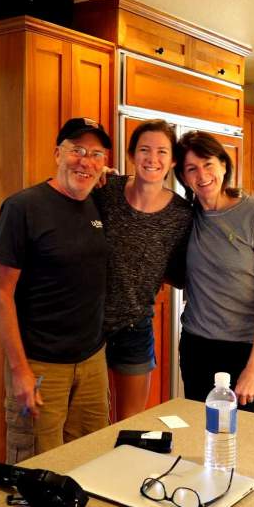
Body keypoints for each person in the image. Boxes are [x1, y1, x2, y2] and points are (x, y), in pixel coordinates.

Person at [0, 117, 113, 463]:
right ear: (58, 153)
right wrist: (20, 371)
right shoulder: (23, 207)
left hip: (92, 361)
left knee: (92, 459)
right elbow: (1, 292)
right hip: (41, 364)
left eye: (96, 154)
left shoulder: (99, 202)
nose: (85, 161)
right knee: (38, 466)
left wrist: (103, 174)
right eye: (77, 151)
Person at [174, 130, 254, 413]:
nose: (202, 175)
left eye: (208, 164)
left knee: (243, 433)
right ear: (183, 177)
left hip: (244, 349)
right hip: (196, 346)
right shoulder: (185, 216)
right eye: (191, 169)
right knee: (199, 428)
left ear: (224, 165)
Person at [93, 119, 193, 420]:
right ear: (131, 155)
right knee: (90, 421)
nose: (153, 158)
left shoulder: (181, 215)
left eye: (162, 151)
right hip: (88, 325)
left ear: (172, 161)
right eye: (144, 149)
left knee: (130, 420)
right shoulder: (106, 190)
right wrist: (97, 171)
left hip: (135, 328)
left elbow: (180, 273)